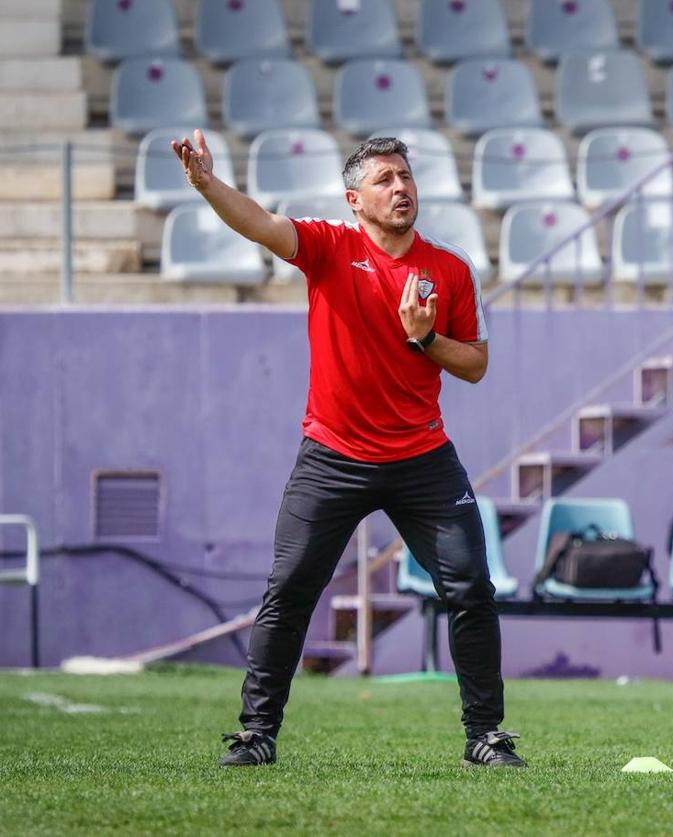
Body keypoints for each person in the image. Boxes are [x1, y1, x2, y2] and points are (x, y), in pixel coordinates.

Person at [171, 130, 524, 768]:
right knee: (289, 592)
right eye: (385, 180)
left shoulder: (448, 270)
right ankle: (256, 735)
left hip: (422, 458)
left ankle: (486, 738)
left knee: (471, 588)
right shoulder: (331, 247)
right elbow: (260, 225)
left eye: (406, 177)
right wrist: (205, 184)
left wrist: (424, 340)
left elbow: (474, 365)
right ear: (354, 200)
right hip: (332, 456)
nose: (401, 189)